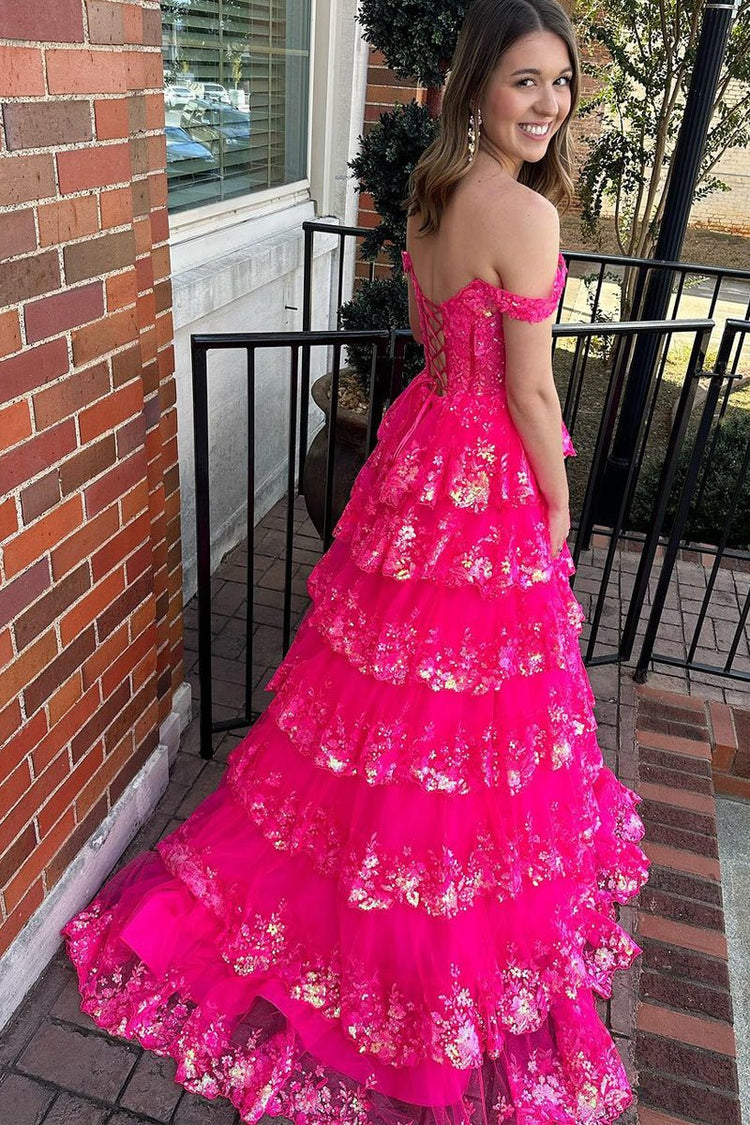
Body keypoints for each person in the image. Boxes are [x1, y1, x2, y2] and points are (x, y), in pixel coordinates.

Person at [62, 1, 651, 1122]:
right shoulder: (523, 214)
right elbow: (532, 390)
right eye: (525, 80)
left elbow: (445, 344)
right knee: (462, 700)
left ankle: (367, 854)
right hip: (483, 471)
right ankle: (417, 898)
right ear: (478, 86)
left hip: (425, 444)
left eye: (561, 82)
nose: (548, 104)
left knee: (389, 688)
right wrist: (562, 499)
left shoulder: (430, 194)